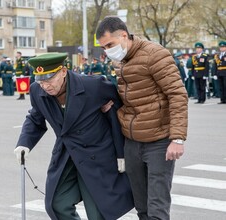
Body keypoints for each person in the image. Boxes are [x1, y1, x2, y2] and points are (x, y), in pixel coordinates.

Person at [14, 53, 134, 220]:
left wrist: (122, 152)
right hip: (66, 153)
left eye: (49, 80)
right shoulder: (36, 90)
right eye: (41, 81)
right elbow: (35, 118)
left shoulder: (94, 86)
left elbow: (119, 114)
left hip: (96, 155)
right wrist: (24, 143)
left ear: (63, 72)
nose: (45, 86)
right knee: (56, 205)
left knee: (98, 213)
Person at [96, 16, 188, 220]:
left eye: (109, 44)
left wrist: (177, 138)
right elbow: (130, 97)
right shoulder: (120, 62)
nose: (107, 51)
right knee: (141, 206)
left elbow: (178, 94)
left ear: (123, 35)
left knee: (157, 206)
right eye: (104, 47)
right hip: (132, 141)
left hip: (159, 141)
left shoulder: (155, 54)